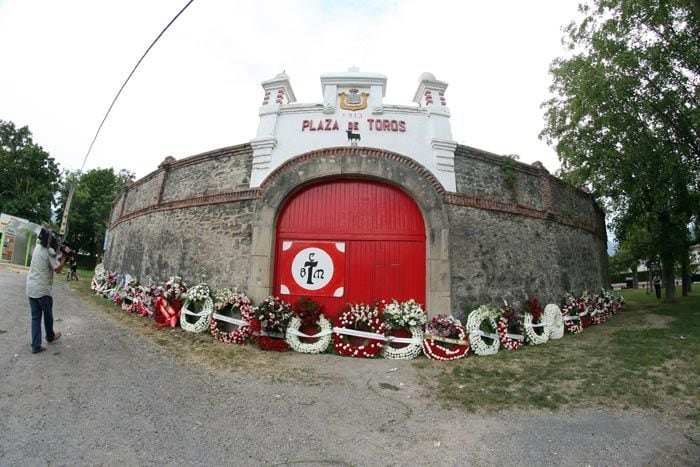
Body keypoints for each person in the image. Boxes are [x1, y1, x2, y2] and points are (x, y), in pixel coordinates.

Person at [26, 234, 68, 354]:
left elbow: (53, 261)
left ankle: (36, 346)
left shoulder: (38, 248)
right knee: (48, 315)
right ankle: (50, 336)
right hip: (43, 290)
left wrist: (59, 258)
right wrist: (64, 257)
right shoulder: (48, 252)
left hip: (31, 288)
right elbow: (58, 269)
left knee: (35, 317)